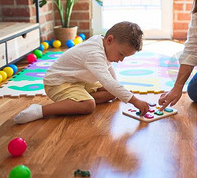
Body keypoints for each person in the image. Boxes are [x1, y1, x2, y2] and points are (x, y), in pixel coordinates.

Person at [14, 21, 150, 124]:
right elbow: (107, 80)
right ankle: (40, 110)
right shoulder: (94, 54)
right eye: (121, 54)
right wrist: (134, 100)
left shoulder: (103, 43)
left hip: (78, 80)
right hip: (58, 82)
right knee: (88, 105)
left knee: (112, 92)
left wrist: (120, 93)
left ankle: (77, 99)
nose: (121, 60)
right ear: (109, 40)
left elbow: (109, 72)